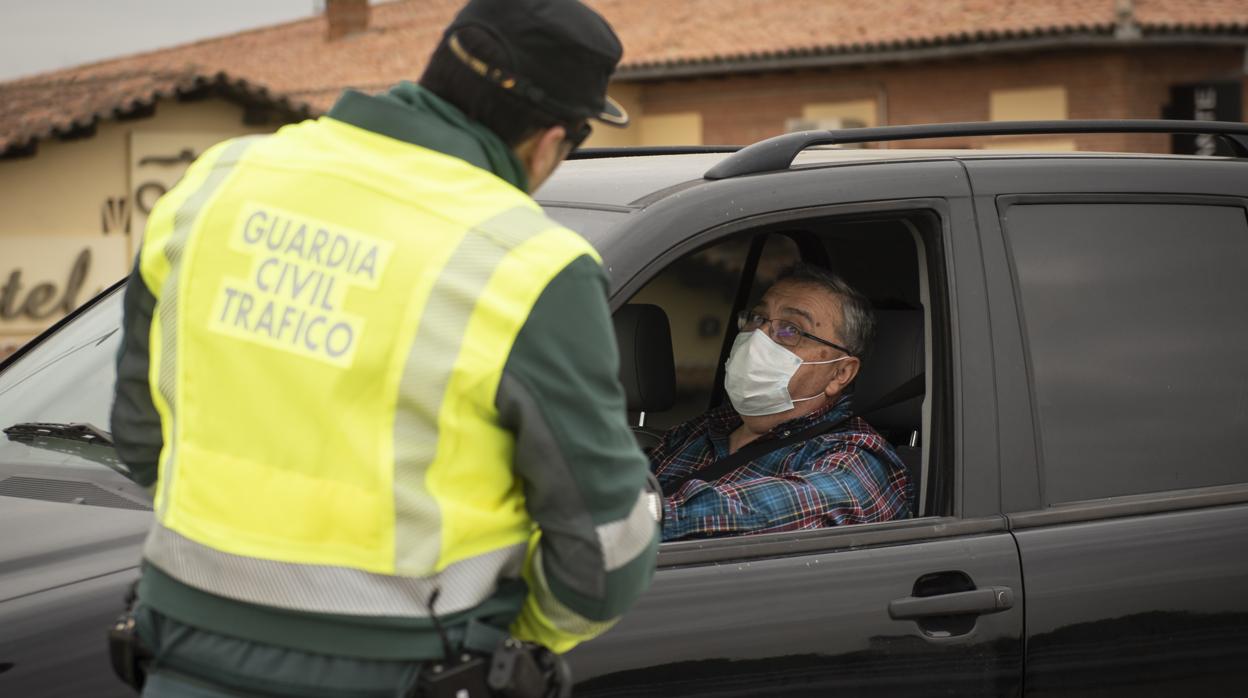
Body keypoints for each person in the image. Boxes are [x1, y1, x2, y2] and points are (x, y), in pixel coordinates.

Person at [108, 0, 660, 695]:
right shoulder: (527, 263)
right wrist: (524, 635)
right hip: (405, 668)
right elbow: (605, 556)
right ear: (551, 140)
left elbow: (139, 433)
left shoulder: (217, 182)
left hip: (183, 648)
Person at [649, 264, 912, 541]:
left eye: (791, 330)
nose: (758, 336)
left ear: (840, 373)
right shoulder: (697, 431)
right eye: (757, 318)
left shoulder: (858, 461)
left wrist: (627, 523)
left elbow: (756, 513)